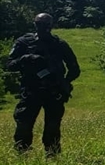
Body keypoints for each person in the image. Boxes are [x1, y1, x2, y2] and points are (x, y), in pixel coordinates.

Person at [6, 13, 80, 156]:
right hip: (31, 90)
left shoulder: (60, 45)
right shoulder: (24, 42)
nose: (43, 28)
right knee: (24, 124)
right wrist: (25, 59)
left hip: (53, 91)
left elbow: (75, 69)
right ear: (35, 25)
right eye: (40, 24)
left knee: (53, 126)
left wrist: (64, 82)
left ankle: (52, 155)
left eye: (46, 25)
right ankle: (22, 153)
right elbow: (9, 65)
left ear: (51, 26)